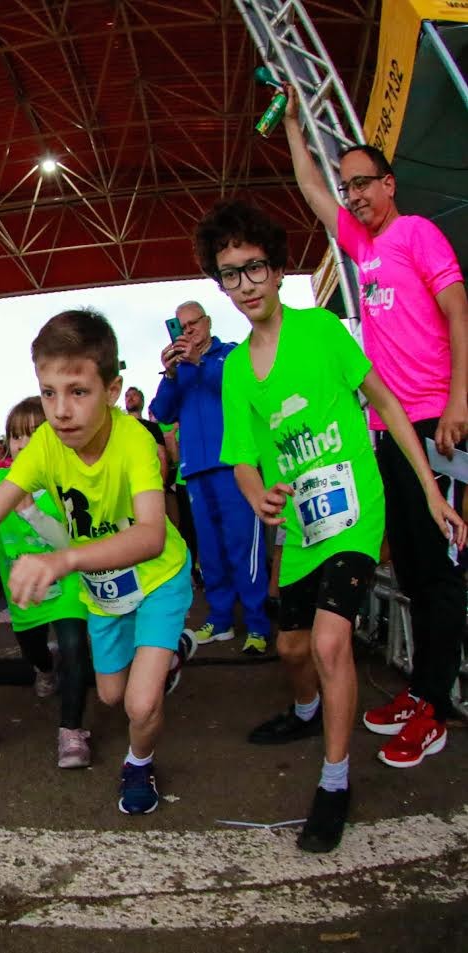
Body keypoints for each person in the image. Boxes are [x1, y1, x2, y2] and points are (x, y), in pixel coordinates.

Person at [204, 200, 465, 851]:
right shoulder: (234, 369)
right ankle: (305, 709)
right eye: (231, 273)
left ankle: (335, 779)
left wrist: (429, 492)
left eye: (255, 267)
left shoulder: (321, 329)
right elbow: (241, 458)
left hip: (354, 509)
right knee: (294, 650)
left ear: (277, 269)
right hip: (299, 528)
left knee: (328, 643)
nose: (246, 284)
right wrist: (259, 494)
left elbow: (387, 404)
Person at [0, 311, 195, 812]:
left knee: (140, 705)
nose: (61, 410)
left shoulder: (134, 439)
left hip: (157, 577)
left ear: (112, 390)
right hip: (105, 589)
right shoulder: (46, 446)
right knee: (111, 695)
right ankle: (173, 651)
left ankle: (139, 764)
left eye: (78, 391)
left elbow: (151, 535)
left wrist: (63, 560)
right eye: (49, 393)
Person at [282, 86, 468, 769]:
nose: (354, 195)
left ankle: (435, 709)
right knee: (413, 566)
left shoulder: (416, 233)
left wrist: (459, 400)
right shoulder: (361, 247)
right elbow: (310, 189)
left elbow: (458, 311)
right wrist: (294, 125)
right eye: (348, 186)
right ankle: (423, 691)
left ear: (389, 184)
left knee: (440, 572)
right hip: (390, 428)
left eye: (364, 183)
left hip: (436, 422)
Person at [0, 397, 95, 767]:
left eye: (35, 434)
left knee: (74, 647)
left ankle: (72, 731)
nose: (24, 443)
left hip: (67, 589)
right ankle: (44, 670)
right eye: (17, 436)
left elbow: (74, 546)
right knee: (35, 651)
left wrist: (31, 511)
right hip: (24, 597)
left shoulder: (67, 481)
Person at [151, 301, 272, 653]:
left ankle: (258, 624)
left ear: (207, 322)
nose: (188, 330)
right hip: (195, 471)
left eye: (193, 323)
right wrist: (171, 375)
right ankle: (220, 619)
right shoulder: (180, 368)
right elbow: (161, 412)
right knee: (211, 550)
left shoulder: (230, 354)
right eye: (181, 326)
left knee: (243, 545)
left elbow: (240, 390)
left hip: (234, 467)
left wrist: (199, 363)